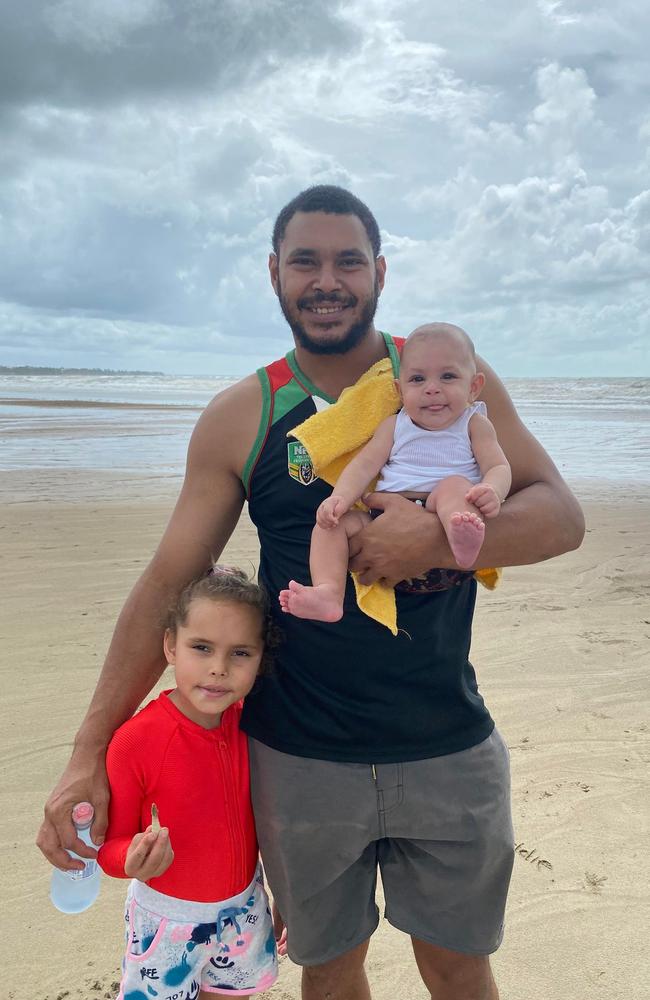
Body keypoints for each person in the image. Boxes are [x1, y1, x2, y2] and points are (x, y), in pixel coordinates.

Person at [38, 185, 585, 1000]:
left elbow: (559, 516)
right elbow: (169, 580)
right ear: (273, 274)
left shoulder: (443, 378)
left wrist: (434, 538)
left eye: (348, 261)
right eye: (305, 261)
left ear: (380, 273)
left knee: (459, 964)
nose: (327, 280)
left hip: (446, 742)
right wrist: (89, 751)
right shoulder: (244, 413)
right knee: (327, 968)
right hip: (297, 759)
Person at [97, 566, 278, 999]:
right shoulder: (135, 741)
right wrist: (133, 858)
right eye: (201, 647)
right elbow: (110, 848)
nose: (218, 669)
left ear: (260, 657)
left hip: (244, 911)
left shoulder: (256, 725)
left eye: (240, 653)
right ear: (170, 646)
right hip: (166, 923)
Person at [279, 322, 511, 625]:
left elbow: (498, 466)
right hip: (383, 523)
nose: (432, 387)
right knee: (328, 528)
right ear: (399, 390)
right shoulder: (394, 425)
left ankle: (462, 539)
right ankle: (329, 593)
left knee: (454, 486)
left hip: (441, 522)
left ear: (474, 386)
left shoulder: (473, 424)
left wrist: (492, 490)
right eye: (417, 379)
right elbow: (363, 466)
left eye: (448, 376)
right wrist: (339, 499)